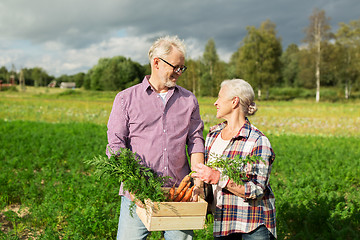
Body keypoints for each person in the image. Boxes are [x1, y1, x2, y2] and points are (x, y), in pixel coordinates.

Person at [106, 35, 205, 240]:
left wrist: (198, 180)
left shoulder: (188, 100)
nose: (179, 72)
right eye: (176, 67)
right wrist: (133, 185)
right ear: (157, 63)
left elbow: (195, 141)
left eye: (182, 68)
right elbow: (116, 146)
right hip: (138, 194)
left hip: (179, 194)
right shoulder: (126, 98)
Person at [192, 79, 276, 240]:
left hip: (252, 223)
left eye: (219, 97)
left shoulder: (257, 140)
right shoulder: (213, 134)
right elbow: (208, 177)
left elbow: (257, 189)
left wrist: (218, 177)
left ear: (234, 101)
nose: (215, 102)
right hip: (224, 220)